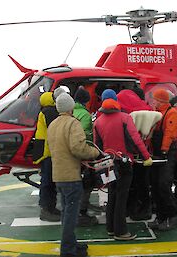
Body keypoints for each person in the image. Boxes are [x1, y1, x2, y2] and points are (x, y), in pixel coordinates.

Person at [94, 89, 153, 241]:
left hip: (108, 163)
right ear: (115, 100)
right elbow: (135, 140)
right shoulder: (125, 118)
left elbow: (97, 146)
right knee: (122, 197)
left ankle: (110, 227)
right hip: (124, 163)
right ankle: (121, 231)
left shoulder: (98, 121)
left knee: (112, 194)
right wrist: (146, 157)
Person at [47, 93, 100, 257]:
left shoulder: (53, 125)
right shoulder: (73, 123)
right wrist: (95, 152)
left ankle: (71, 244)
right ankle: (68, 251)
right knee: (71, 215)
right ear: (71, 107)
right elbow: (78, 148)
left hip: (59, 175)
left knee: (66, 213)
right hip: (71, 176)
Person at [117, 89, 153, 220]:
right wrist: (146, 155)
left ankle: (128, 207)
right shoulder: (147, 109)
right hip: (142, 153)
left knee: (128, 184)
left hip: (124, 155)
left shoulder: (120, 111)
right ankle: (142, 209)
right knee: (142, 183)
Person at [148, 88, 177, 231]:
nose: (152, 101)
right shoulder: (157, 113)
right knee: (155, 185)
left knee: (163, 185)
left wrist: (164, 150)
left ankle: (172, 216)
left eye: (154, 99)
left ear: (160, 100)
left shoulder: (171, 113)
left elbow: (170, 133)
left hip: (166, 153)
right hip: (157, 154)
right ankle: (160, 217)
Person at [33, 91, 62, 222]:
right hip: (49, 151)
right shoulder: (50, 112)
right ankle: (46, 209)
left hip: (45, 151)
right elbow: (56, 129)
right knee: (48, 181)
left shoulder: (44, 111)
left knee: (48, 180)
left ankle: (50, 207)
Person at [73, 86, 98, 226]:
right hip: (83, 154)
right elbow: (87, 136)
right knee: (87, 183)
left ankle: (76, 210)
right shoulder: (85, 115)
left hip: (70, 155)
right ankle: (81, 212)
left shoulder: (70, 111)